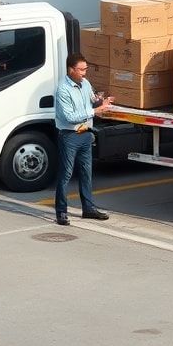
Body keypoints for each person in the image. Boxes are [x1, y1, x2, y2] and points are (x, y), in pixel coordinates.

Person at [54, 52, 113, 226]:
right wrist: (96, 111)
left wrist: (101, 101)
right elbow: (70, 117)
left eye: (85, 69)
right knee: (66, 174)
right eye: (81, 70)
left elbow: (91, 100)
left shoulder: (85, 83)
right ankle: (61, 212)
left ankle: (88, 208)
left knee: (86, 174)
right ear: (71, 70)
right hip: (69, 136)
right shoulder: (63, 90)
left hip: (86, 134)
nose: (84, 73)